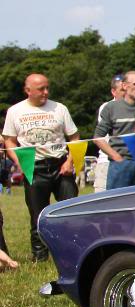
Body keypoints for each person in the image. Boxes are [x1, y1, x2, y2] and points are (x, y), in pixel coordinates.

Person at [2, 73, 80, 261]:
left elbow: (75, 138)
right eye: (41, 89)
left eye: (47, 88)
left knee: (70, 212)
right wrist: (19, 161)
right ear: (28, 90)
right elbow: (9, 141)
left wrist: (70, 162)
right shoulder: (15, 111)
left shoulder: (60, 108)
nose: (46, 92)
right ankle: (40, 257)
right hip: (33, 166)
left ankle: (73, 253)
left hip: (61, 165)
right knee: (38, 216)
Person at [93, 74, 124, 192]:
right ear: (113, 92)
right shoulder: (107, 107)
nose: (126, 93)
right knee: (102, 205)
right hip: (108, 162)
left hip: (131, 163)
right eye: (122, 90)